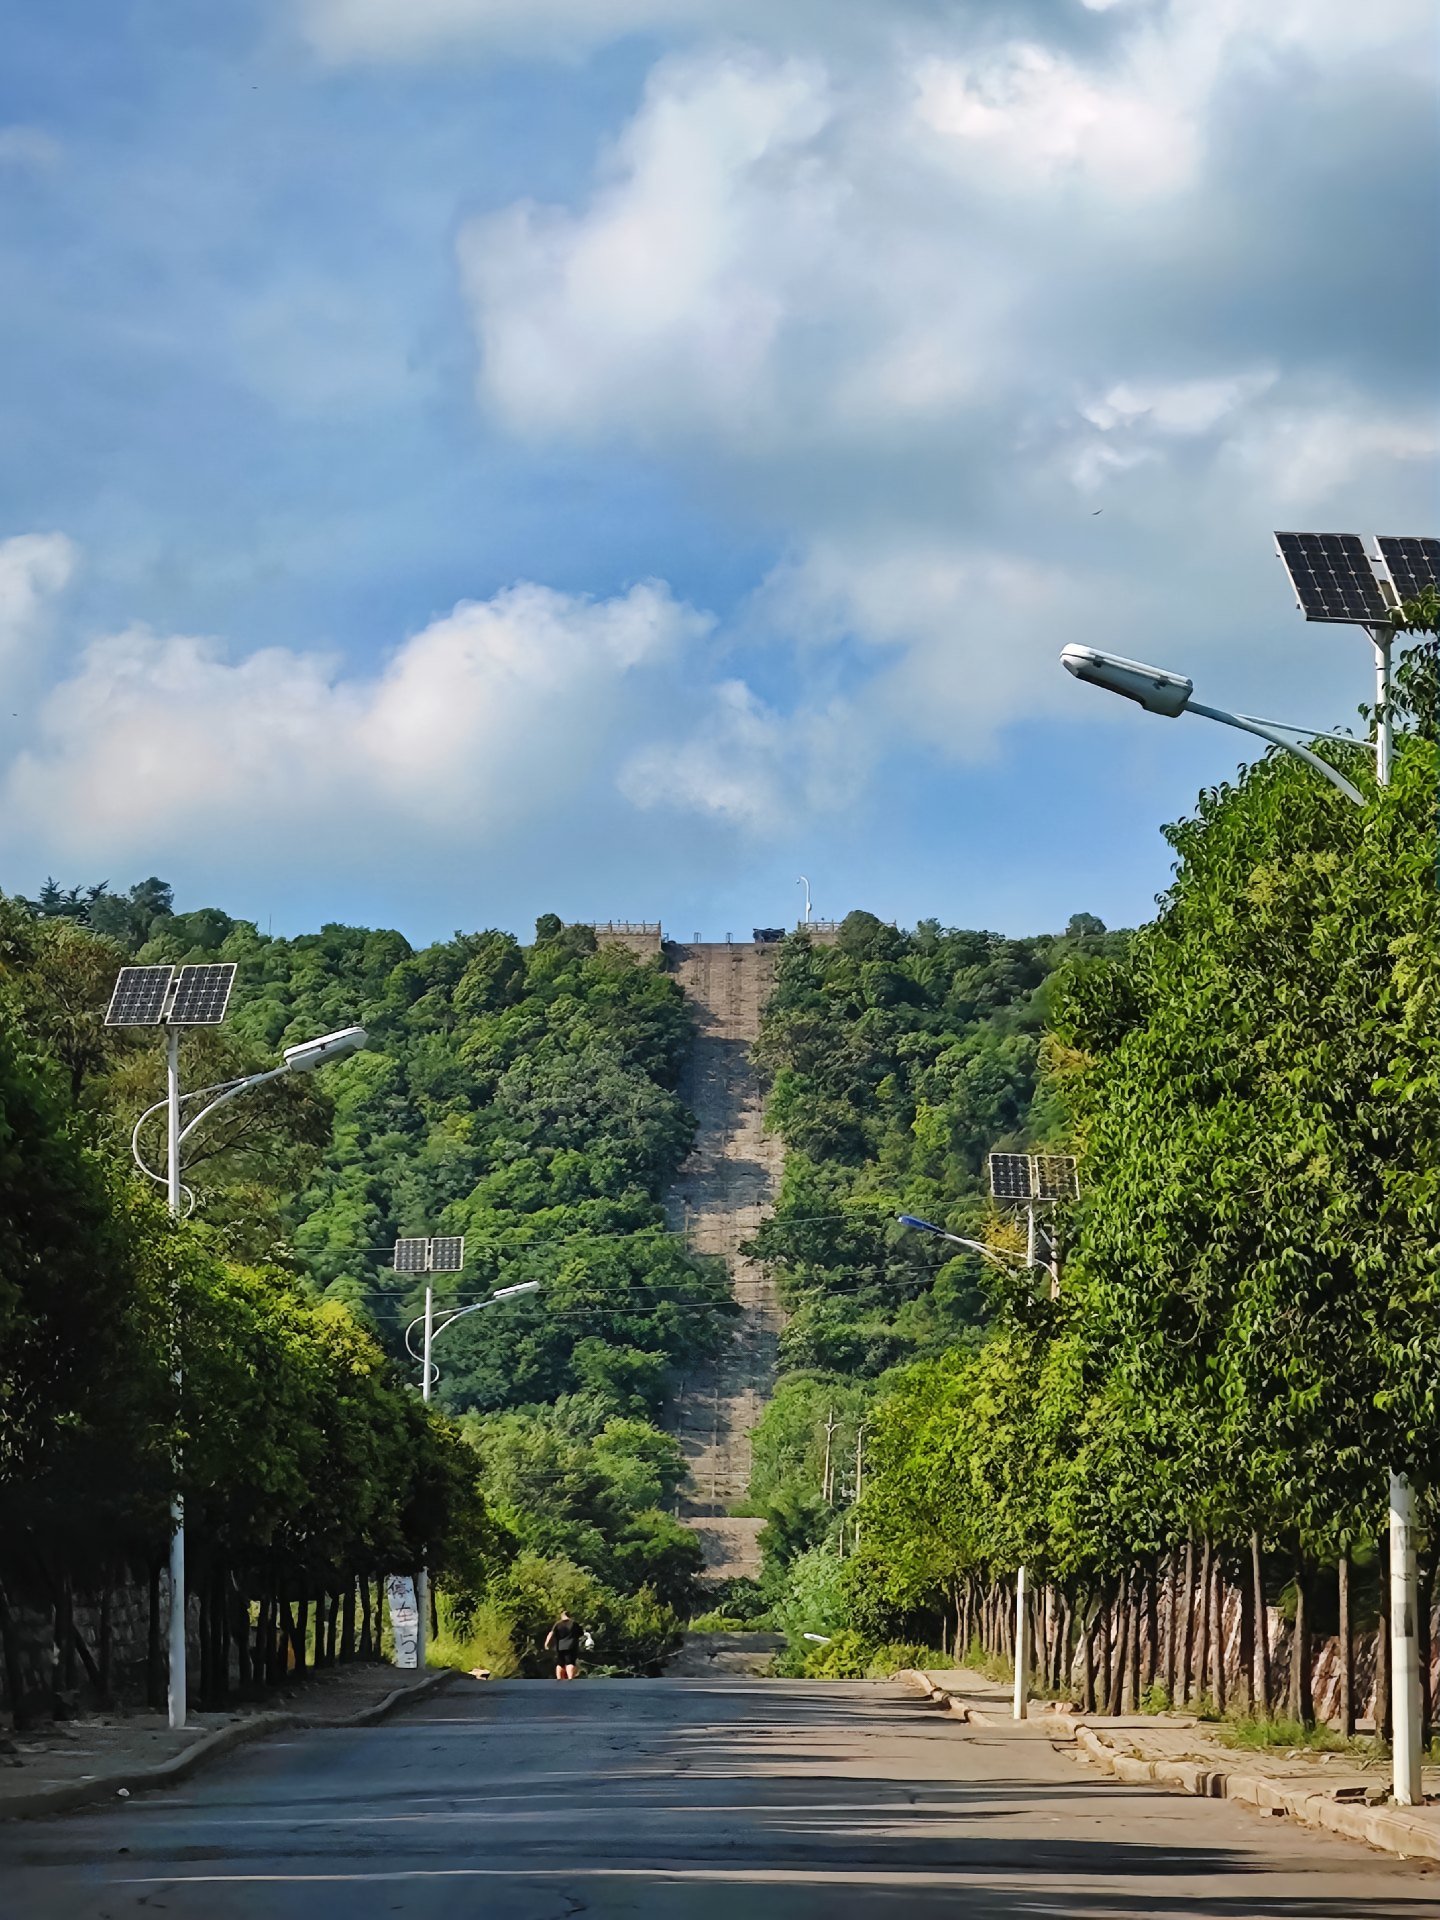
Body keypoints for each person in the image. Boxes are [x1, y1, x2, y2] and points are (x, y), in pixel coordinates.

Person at [544, 1609, 582, 1680]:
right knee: (570, 1662)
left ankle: (559, 1679)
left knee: (560, 1663)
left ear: (562, 1616)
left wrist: (546, 1643)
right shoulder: (574, 1623)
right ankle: (570, 1679)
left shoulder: (558, 1624)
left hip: (560, 1647)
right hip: (571, 1646)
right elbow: (580, 1633)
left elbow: (551, 1633)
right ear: (569, 1615)